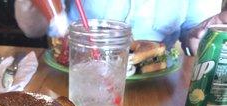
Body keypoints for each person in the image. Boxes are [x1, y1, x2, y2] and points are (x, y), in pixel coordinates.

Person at [15, 0, 226, 55]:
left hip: (157, 89)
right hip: (69, 75)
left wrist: (205, 42)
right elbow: (32, 30)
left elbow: (194, 36)